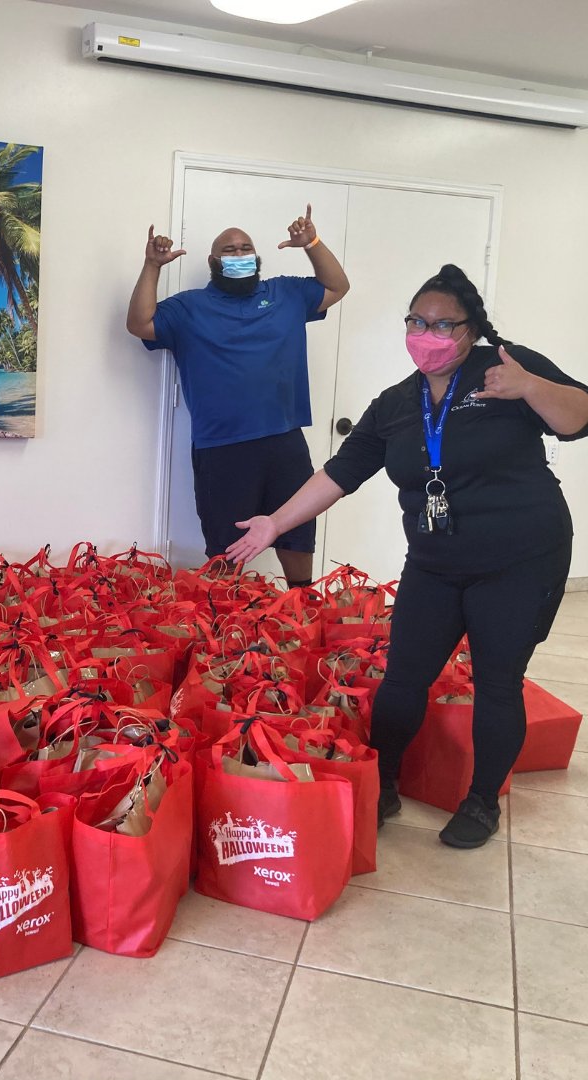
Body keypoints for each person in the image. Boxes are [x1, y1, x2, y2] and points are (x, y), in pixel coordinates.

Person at [225, 264, 588, 848]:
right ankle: (385, 784)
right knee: (403, 680)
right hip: (435, 563)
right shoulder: (397, 403)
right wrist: (275, 521)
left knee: (498, 683)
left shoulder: (508, 371)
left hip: (521, 559)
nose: (428, 333)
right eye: (417, 321)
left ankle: (480, 803)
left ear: (471, 330)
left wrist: (531, 388)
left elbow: (580, 418)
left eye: (444, 324)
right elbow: (341, 473)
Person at [126, 205, 350, 586]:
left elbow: (337, 287)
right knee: (225, 544)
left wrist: (311, 242)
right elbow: (139, 323)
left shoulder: (286, 293)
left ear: (257, 257)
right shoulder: (189, 307)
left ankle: (302, 603)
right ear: (214, 261)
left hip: (285, 439)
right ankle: (225, 617)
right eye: (229, 250)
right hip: (222, 446)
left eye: (246, 247)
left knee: (297, 532)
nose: (239, 253)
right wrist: (152, 267)